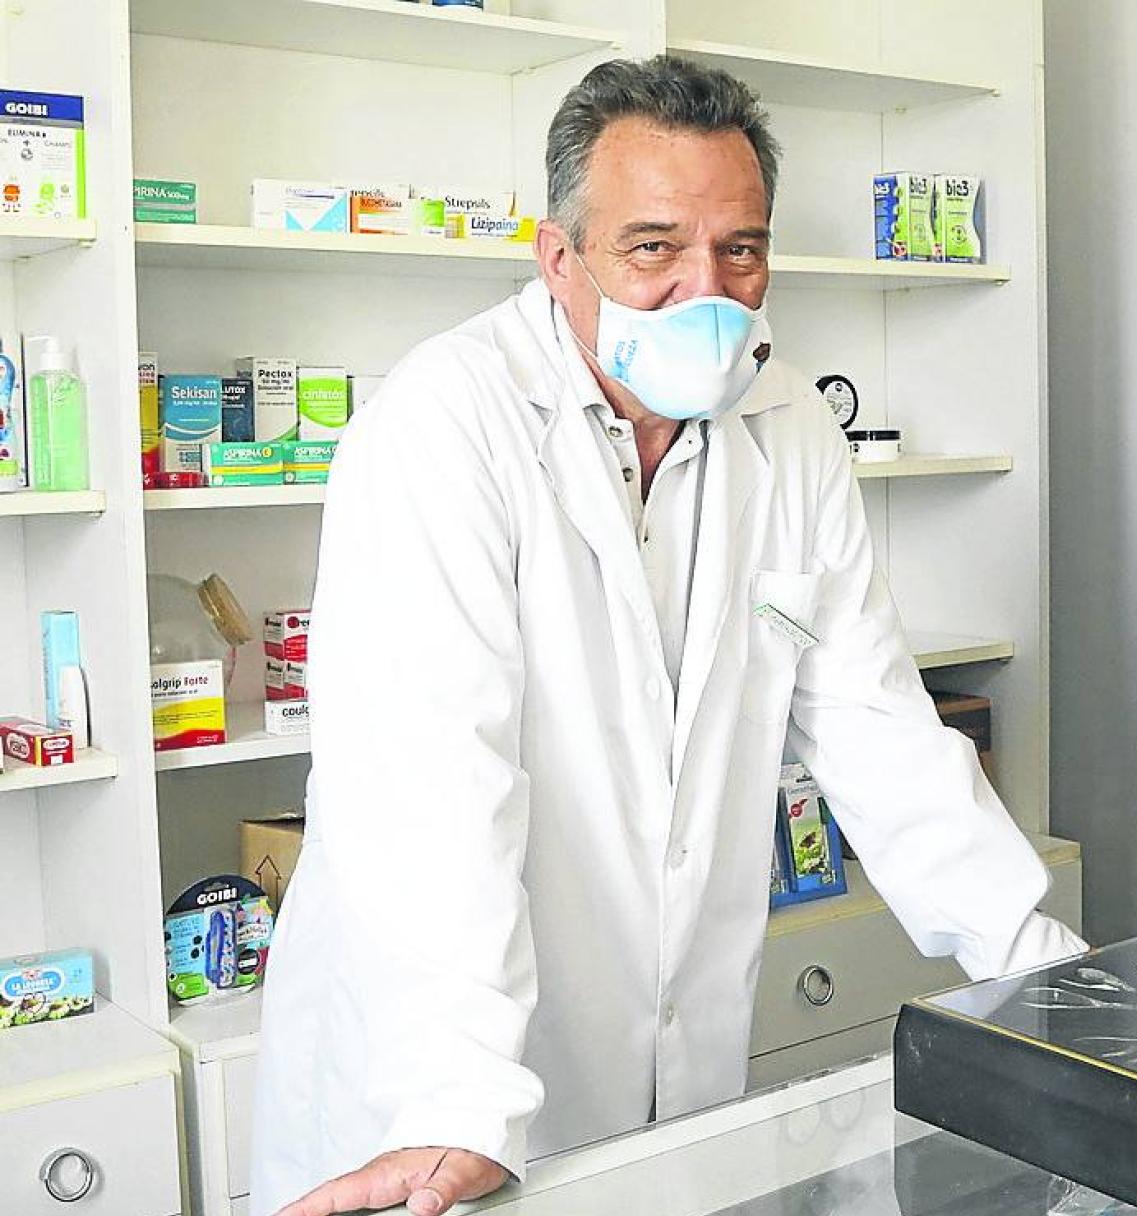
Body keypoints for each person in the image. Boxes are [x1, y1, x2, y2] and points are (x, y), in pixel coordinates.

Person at [251, 56, 1085, 1216]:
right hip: (430, 1096)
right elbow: (430, 786)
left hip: (672, 1072)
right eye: (654, 249)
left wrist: (1047, 968)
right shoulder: (443, 428)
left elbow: (877, 725)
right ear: (559, 259)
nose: (708, 290)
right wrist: (457, 1089)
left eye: (740, 249)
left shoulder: (788, 424)